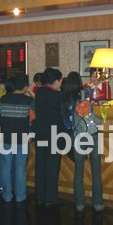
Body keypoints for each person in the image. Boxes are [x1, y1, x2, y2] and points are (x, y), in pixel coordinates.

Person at [62, 72, 103, 213]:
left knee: (78, 172)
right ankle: (98, 203)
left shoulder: (64, 98)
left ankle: (79, 203)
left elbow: (66, 123)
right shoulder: (84, 92)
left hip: (77, 137)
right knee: (96, 171)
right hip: (92, 135)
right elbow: (92, 86)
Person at [0, 74, 34, 203]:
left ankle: (7, 195)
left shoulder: (3, 99)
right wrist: (30, 94)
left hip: (6, 137)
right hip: (22, 138)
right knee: (20, 168)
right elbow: (35, 116)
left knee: (6, 167)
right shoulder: (28, 101)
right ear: (24, 86)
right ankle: (20, 196)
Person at [34, 67, 64, 207]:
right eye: (60, 81)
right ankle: (51, 197)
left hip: (40, 132)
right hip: (54, 133)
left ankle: (40, 195)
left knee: (40, 164)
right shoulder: (58, 96)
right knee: (52, 165)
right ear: (56, 81)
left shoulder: (39, 92)